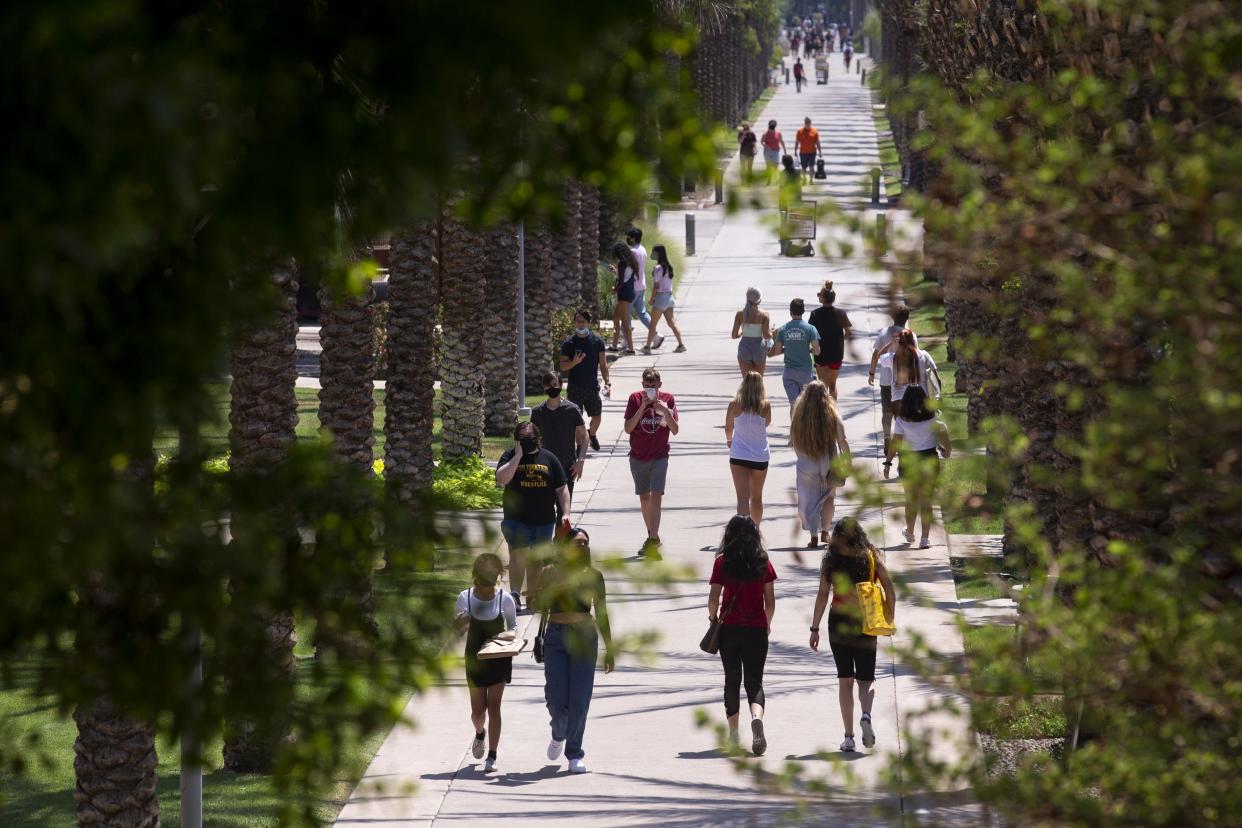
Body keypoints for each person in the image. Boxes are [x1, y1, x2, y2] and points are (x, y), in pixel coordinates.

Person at [809, 518, 895, 752]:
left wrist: (814, 628)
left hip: (838, 621)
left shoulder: (831, 561)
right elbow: (889, 588)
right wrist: (888, 619)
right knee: (866, 681)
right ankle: (866, 714)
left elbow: (822, 595)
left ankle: (848, 737)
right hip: (865, 621)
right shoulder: (871, 557)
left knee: (845, 681)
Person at [533, 528, 615, 774]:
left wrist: (609, 647)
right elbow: (539, 605)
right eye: (578, 543)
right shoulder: (549, 572)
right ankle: (558, 733)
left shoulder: (594, 575)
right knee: (557, 700)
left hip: (584, 637)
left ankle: (574, 753)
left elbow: (600, 611)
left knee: (579, 699)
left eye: (586, 543)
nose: (583, 547)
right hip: (556, 637)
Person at [708, 515, 777, 756]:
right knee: (754, 682)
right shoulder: (763, 562)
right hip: (756, 629)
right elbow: (770, 602)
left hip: (730, 630)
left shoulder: (722, 562)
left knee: (732, 680)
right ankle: (756, 717)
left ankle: (734, 734)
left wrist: (713, 620)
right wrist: (766, 625)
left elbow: (713, 599)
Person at [494, 422, 570, 612]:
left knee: (536, 560)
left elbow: (561, 488)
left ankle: (533, 596)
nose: (528, 441)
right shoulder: (510, 456)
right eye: (523, 438)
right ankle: (515, 595)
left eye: (530, 437)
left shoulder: (549, 458)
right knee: (518, 556)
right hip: (516, 518)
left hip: (544, 519)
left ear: (538, 437)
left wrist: (566, 513)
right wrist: (518, 457)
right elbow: (501, 479)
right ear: (516, 440)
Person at [455, 553, 518, 772]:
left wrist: (508, 637)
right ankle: (479, 733)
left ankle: (492, 755)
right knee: (478, 711)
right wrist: (462, 622)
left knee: (495, 706)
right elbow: (459, 630)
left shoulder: (505, 598)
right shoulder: (465, 597)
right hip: (475, 659)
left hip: (499, 657)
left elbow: (513, 627)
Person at [884, 386, 951, 548]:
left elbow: (895, 445)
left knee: (911, 500)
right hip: (929, 461)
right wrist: (943, 450)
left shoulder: (901, 421)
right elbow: (947, 449)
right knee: (926, 501)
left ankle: (910, 532)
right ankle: (925, 539)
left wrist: (888, 463)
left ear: (905, 402)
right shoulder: (936, 419)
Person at [623, 367, 679, 559]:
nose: (650, 390)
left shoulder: (668, 399)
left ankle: (653, 539)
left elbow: (675, 429)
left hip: (659, 456)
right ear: (642, 386)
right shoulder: (634, 399)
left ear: (659, 385)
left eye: (653, 386)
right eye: (647, 386)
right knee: (644, 498)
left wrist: (663, 409)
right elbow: (628, 428)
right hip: (638, 456)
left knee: (656, 496)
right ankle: (652, 537)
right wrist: (642, 408)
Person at [790, 381, 851, 547]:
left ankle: (813, 535)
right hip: (828, 460)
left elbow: (794, 439)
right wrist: (848, 461)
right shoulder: (831, 412)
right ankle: (825, 531)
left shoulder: (799, 413)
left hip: (806, 460)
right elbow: (842, 440)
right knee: (829, 497)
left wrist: (800, 456)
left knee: (808, 498)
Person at [530, 370, 588, 523]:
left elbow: (584, 435)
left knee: (563, 513)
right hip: (543, 469)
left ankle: (559, 545)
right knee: (545, 511)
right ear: (544, 387)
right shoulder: (537, 412)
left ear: (561, 385)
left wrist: (580, 461)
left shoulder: (572, 409)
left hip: (566, 468)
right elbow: (532, 440)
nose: (552, 387)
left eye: (555, 384)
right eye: (549, 385)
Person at [868, 305, 918, 461]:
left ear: (892, 317)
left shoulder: (884, 333)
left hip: (885, 381)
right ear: (907, 319)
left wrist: (871, 372)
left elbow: (876, 354)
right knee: (903, 415)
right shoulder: (911, 335)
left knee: (886, 412)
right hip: (905, 382)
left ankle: (887, 437)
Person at [560, 309, 612, 452]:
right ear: (574, 323)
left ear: (589, 323)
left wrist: (607, 382)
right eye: (578, 321)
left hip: (592, 387)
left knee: (597, 417)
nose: (581, 324)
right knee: (577, 420)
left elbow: (603, 364)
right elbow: (563, 366)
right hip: (575, 387)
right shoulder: (569, 343)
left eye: (583, 321)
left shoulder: (597, 341)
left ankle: (591, 434)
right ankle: (579, 446)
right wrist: (574, 363)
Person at [725, 372, 772, 523]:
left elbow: (728, 427)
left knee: (743, 498)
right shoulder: (765, 405)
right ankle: (755, 532)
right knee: (757, 498)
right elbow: (766, 423)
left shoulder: (734, 404)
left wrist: (729, 440)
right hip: (760, 455)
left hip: (739, 454)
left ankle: (742, 534)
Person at [768, 298, 821, 404]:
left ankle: (794, 421)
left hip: (789, 372)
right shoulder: (811, 329)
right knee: (806, 405)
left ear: (790, 312)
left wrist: (787, 349)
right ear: (803, 311)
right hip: (805, 373)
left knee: (794, 404)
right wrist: (807, 349)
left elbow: (777, 351)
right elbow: (817, 351)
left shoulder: (783, 329)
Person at [807, 280, 852, 399]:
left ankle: (824, 413)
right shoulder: (841, 313)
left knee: (822, 386)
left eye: (819, 294)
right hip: (836, 354)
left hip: (821, 354)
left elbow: (810, 333)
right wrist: (839, 340)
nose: (818, 296)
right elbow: (848, 332)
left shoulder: (815, 314)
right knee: (833, 385)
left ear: (823, 298)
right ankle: (833, 412)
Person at [642, 245, 686, 354]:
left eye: (653, 252)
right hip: (670, 298)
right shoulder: (668, 267)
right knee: (671, 323)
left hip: (661, 298)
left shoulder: (658, 268)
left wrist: (652, 299)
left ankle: (647, 347)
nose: (651, 254)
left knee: (653, 324)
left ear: (658, 254)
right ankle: (681, 344)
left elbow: (656, 286)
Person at [625, 228, 660, 348]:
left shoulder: (632, 251)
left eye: (629, 236)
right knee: (642, 313)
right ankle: (656, 335)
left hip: (632, 287)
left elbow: (629, 270)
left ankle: (626, 341)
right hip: (641, 286)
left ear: (633, 238)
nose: (628, 238)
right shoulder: (643, 249)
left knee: (626, 314)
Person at [731, 287, 772, 377]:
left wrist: (742, 333)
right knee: (758, 380)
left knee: (747, 380)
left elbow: (734, 335)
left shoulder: (740, 314)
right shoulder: (764, 314)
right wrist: (772, 332)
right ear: (759, 301)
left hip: (744, 347)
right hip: (759, 348)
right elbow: (766, 336)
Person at [608, 242, 640, 354]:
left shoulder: (622, 263)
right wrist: (615, 271)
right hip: (629, 291)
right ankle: (614, 346)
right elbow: (626, 277)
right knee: (616, 318)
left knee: (625, 322)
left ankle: (631, 349)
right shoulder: (631, 262)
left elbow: (621, 282)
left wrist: (614, 289)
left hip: (623, 293)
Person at [795, 117, 822, 184]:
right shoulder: (800, 131)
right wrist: (795, 150)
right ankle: (804, 178)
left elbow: (817, 142)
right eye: (806, 122)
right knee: (803, 166)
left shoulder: (814, 131)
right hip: (803, 152)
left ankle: (811, 180)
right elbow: (797, 142)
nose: (807, 124)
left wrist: (820, 151)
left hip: (812, 152)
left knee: (811, 166)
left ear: (810, 123)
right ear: (804, 123)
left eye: (809, 122)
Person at [761, 119, 788, 184]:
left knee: (776, 164)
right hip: (767, 151)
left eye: (774, 124)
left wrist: (784, 150)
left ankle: (776, 179)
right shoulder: (765, 134)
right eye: (771, 124)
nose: (772, 125)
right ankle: (769, 180)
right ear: (769, 125)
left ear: (775, 125)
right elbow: (762, 142)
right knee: (768, 166)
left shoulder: (778, 133)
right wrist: (766, 146)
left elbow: (781, 141)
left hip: (776, 151)